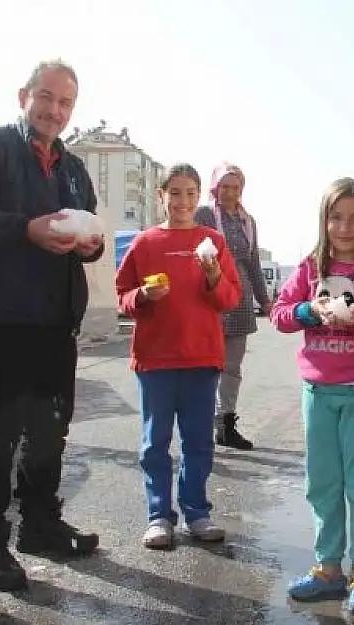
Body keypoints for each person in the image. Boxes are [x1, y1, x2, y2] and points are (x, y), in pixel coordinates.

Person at [0, 59, 103, 592]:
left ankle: (40, 524)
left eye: (65, 103)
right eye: (46, 97)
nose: (54, 110)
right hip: (1, 315)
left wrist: (93, 244)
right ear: (23, 95)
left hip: (56, 321)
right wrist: (25, 229)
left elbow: (91, 230)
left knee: (49, 431)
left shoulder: (74, 169)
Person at [271, 177, 354, 615]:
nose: (344, 228)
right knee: (322, 482)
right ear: (324, 220)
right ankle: (328, 567)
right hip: (318, 391)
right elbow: (279, 314)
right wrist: (310, 310)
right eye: (335, 217)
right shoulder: (311, 267)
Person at [115, 163, 241, 549]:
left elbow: (231, 299)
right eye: (175, 193)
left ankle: (197, 513)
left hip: (202, 358)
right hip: (155, 360)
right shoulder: (145, 243)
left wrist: (214, 276)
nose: (182, 201)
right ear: (161, 196)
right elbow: (123, 296)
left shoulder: (212, 242)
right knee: (155, 442)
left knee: (199, 441)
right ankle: (158, 516)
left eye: (190, 193)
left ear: (199, 197)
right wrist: (142, 297)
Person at [193, 164, 271, 450]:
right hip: (209, 297)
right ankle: (200, 424)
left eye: (235, 187)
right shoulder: (203, 215)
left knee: (232, 367)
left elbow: (253, 265)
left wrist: (265, 301)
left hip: (239, 300)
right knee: (204, 365)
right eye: (224, 186)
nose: (229, 192)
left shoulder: (247, 221)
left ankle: (225, 425)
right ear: (215, 187)